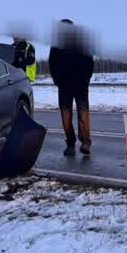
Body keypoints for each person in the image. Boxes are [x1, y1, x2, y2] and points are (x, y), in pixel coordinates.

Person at [48, 19, 95, 156]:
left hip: (81, 85)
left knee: (83, 115)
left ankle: (86, 143)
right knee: (66, 117)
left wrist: (86, 79)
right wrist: (57, 80)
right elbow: (52, 63)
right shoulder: (56, 45)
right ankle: (70, 144)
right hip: (64, 87)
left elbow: (89, 63)